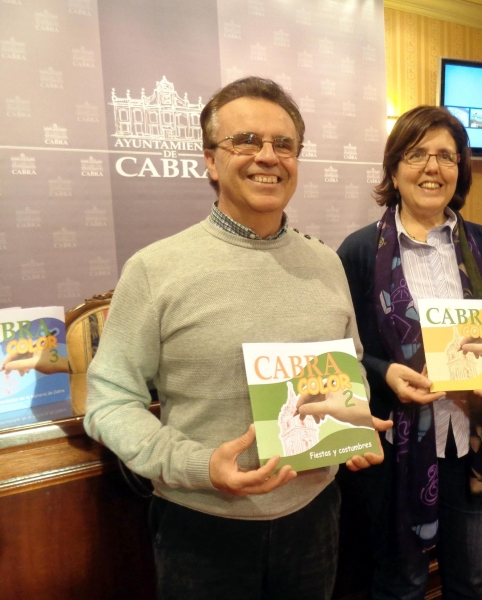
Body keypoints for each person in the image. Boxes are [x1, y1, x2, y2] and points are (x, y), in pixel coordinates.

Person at [83, 77, 385, 600]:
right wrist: (198, 466)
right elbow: (109, 400)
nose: (267, 156)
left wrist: (352, 424)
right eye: (246, 140)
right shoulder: (155, 269)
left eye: (283, 144)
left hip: (315, 518)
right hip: (202, 527)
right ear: (210, 160)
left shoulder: (326, 263)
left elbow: (350, 364)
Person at [337, 105, 482, 600]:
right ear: (394, 169)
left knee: (474, 581)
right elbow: (343, 353)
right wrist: (385, 373)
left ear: (460, 169)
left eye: (446, 156)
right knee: (401, 583)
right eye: (417, 154)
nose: (433, 167)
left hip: (474, 441)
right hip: (397, 450)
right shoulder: (359, 251)